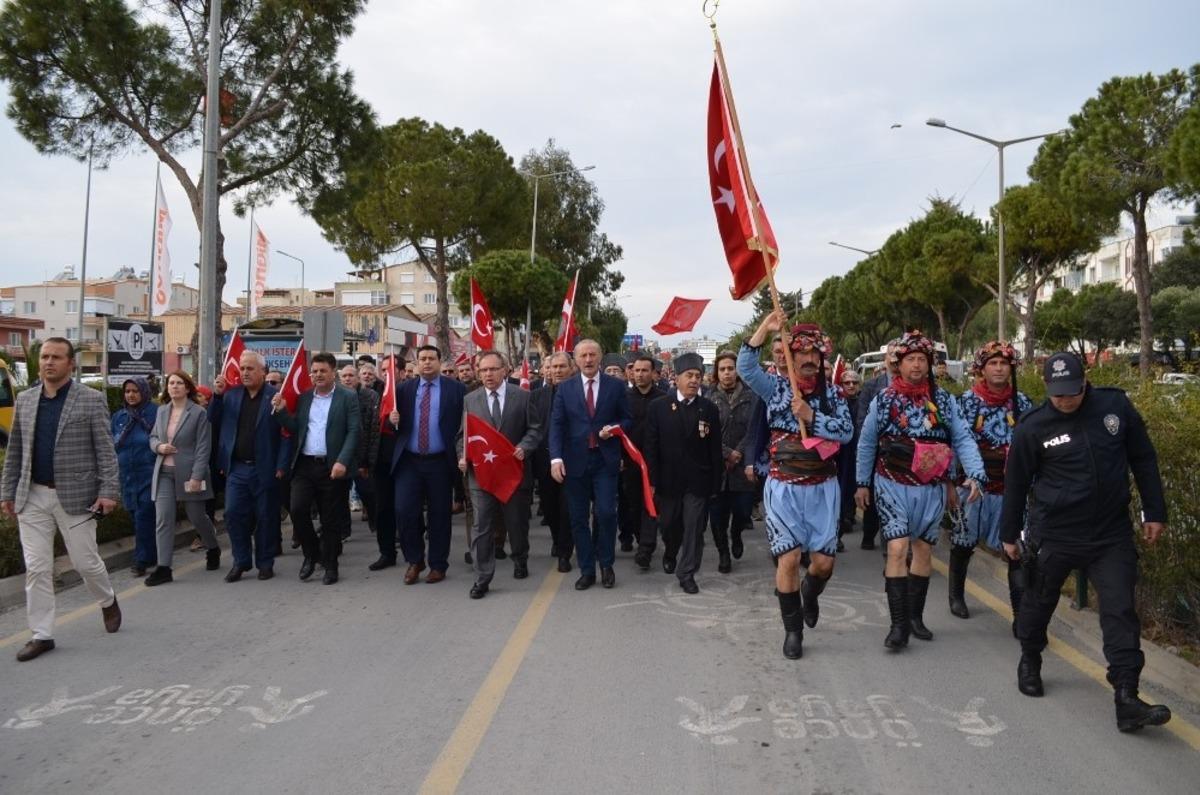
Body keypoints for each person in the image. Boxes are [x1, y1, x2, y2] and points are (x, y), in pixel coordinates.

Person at [999, 351, 1171, 732]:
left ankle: (1126, 696)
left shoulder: (1115, 407)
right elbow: (1016, 483)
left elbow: (1143, 458)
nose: (1065, 400)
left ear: (1085, 380)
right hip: (1055, 533)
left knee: (1120, 610)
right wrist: (1009, 534)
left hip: (1110, 534)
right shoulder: (1033, 426)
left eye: (1072, 392)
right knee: (1037, 604)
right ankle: (1030, 658)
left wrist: (1154, 512)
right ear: (1046, 387)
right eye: (1057, 394)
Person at [855, 330, 985, 651]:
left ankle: (916, 617)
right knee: (898, 548)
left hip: (931, 488)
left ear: (929, 364)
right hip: (891, 484)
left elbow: (963, 438)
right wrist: (861, 483)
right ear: (898, 364)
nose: (916, 365)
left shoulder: (943, 401)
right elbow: (868, 441)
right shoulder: (883, 399)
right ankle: (897, 625)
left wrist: (976, 474)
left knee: (923, 550)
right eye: (910, 359)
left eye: (921, 360)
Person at [738, 314, 853, 659]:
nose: (808, 361)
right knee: (787, 558)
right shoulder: (775, 387)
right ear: (791, 355)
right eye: (801, 354)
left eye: (814, 355)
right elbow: (746, 366)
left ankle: (811, 592)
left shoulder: (833, 395)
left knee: (823, 564)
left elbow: (846, 432)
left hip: (823, 488)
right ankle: (793, 631)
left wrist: (812, 417)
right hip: (783, 486)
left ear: (821, 359)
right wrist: (765, 328)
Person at [2, 338, 123, 661]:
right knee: (37, 568)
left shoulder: (90, 400)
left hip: (77, 496)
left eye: (56, 357)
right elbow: (15, 451)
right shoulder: (26, 401)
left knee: (85, 562)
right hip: (33, 495)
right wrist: (8, 492)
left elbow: (106, 452)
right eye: (44, 357)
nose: (48, 362)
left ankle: (107, 599)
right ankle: (41, 634)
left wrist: (108, 492)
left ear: (71, 364)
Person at [947, 341, 1033, 623]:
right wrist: (954, 481)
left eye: (1003, 363)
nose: (998, 368)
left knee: (1016, 550)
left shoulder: (1023, 403)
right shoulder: (966, 402)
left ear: (1011, 368)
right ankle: (956, 595)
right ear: (981, 369)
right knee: (964, 543)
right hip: (974, 488)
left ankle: (1021, 615)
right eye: (992, 363)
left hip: (1012, 489)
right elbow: (955, 445)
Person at [456, 351, 543, 598]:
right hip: (481, 474)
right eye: (483, 370)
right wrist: (462, 456)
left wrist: (524, 447)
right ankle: (482, 577)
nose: (488, 375)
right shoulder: (470, 400)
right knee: (482, 525)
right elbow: (463, 435)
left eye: (493, 369)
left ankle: (520, 558)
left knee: (516, 522)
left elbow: (535, 429)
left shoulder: (523, 397)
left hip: (513, 472)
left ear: (504, 370)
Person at [549, 339, 631, 590]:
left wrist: (614, 430)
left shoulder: (616, 387)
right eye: (583, 355)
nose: (588, 359)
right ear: (576, 359)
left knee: (606, 513)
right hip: (575, 462)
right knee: (578, 518)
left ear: (600, 357)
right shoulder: (566, 389)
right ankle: (587, 570)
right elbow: (557, 425)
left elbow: (627, 419)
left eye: (592, 354)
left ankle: (606, 564)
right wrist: (556, 459)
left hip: (605, 461)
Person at [272, 351, 361, 585]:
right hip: (304, 464)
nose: (318, 375)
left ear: (334, 373)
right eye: (315, 371)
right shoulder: (305, 398)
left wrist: (342, 460)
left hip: (332, 466)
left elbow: (354, 431)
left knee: (330, 520)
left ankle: (331, 565)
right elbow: (296, 428)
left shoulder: (347, 397)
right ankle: (311, 555)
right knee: (298, 510)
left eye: (323, 371)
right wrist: (281, 411)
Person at [643, 352, 723, 594]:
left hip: (698, 482)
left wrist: (715, 483)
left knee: (694, 527)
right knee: (668, 525)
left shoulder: (708, 408)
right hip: (668, 481)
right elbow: (651, 446)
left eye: (698, 376)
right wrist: (652, 480)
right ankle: (670, 550)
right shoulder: (659, 407)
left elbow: (714, 448)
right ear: (676, 378)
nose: (694, 380)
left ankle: (687, 572)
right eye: (689, 375)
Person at [210, 350, 290, 582]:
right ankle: (241, 561)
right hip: (237, 468)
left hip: (266, 467)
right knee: (233, 513)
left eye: (250, 368)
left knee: (266, 516)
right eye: (242, 368)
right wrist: (216, 395)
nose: (244, 372)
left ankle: (265, 562)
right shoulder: (231, 395)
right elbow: (212, 420)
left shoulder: (275, 396)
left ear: (263, 372)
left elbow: (286, 434)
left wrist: (282, 465)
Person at [391, 344, 466, 584]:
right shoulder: (403, 390)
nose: (426, 363)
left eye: (431, 358)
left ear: (440, 361)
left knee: (440, 515)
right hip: (409, 461)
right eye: (422, 359)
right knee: (404, 511)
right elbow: (394, 423)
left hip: (441, 462)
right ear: (416, 362)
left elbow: (464, 425)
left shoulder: (457, 390)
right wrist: (392, 420)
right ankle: (415, 560)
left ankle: (438, 564)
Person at [147, 371, 220, 585]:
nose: (175, 387)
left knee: (197, 516)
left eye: (179, 383)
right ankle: (164, 567)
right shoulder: (162, 411)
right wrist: (159, 446)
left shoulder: (198, 413)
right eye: (171, 383)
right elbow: (152, 437)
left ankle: (213, 546)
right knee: (163, 518)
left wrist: (197, 476)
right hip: (164, 473)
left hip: (189, 473)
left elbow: (203, 447)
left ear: (187, 388)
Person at [707, 351, 760, 573]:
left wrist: (739, 452)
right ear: (716, 373)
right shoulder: (708, 398)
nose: (727, 373)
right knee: (717, 514)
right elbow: (706, 432)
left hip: (743, 465)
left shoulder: (751, 396)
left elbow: (755, 429)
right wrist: (726, 452)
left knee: (742, 510)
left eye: (731, 368)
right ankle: (723, 553)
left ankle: (736, 534)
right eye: (722, 369)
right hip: (716, 465)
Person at [854, 339, 900, 551]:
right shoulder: (872, 386)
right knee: (872, 498)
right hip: (877, 452)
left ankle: (892, 547)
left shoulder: (922, 389)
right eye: (892, 354)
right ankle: (869, 532)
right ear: (885, 357)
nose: (895, 358)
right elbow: (862, 419)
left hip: (904, 457)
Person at [532, 352, 575, 572]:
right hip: (544, 460)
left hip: (572, 461)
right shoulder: (537, 396)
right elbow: (532, 428)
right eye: (552, 367)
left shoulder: (578, 394)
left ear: (571, 368)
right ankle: (557, 540)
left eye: (561, 367)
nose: (556, 371)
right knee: (549, 508)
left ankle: (565, 551)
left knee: (567, 507)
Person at [111, 378, 158, 576]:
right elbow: (111, 442)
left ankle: (141, 560)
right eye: (128, 391)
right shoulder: (119, 417)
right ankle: (152, 554)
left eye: (135, 391)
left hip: (149, 473)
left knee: (143, 516)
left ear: (144, 392)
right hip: (127, 475)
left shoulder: (155, 413)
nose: (131, 395)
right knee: (134, 514)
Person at [624, 354, 667, 570]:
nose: (640, 374)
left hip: (656, 463)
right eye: (636, 370)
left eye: (644, 370)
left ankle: (646, 549)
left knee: (651, 504)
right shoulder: (624, 398)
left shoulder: (663, 399)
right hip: (630, 462)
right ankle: (641, 539)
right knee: (633, 507)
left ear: (653, 373)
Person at [369, 354, 402, 571]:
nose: (385, 373)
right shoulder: (374, 395)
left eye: (390, 369)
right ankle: (386, 552)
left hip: (403, 461)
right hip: (380, 461)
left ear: (400, 371)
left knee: (407, 509)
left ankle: (412, 549)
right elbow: (367, 428)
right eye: (383, 369)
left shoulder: (409, 392)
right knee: (383, 509)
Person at [340, 364, 380, 537]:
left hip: (362, 455)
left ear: (358, 378)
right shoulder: (336, 397)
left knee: (367, 492)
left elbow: (373, 429)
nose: (348, 378)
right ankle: (343, 529)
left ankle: (375, 520)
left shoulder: (370, 396)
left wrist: (368, 460)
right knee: (340, 494)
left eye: (351, 375)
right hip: (342, 455)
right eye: (344, 376)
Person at [835, 369, 863, 550]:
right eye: (847, 383)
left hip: (858, 451)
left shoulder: (863, 403)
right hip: (839, 452)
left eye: (854, 382)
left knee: (855, 485)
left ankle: (849, 514)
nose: (851, 385)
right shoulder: (836, 402)